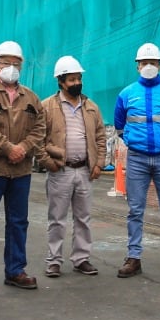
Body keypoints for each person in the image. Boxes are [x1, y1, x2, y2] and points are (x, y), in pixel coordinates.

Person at [0, 41, 50, 296]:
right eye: (6, 62)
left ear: (21, 66)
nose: (11, 67)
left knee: (18, 222)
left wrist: (23, 148)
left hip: (20, 172)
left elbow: (40, 128)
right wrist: (7, 148)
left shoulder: (31, 97)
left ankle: (15, 270)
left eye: (16, 63)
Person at [114, 43, 160, 279]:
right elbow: (119, 125)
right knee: (135, 210)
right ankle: (133, 258)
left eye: (153, 63)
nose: (148, 66)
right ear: (137, 66)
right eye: (144, 63)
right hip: (137, 158)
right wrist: (133, 140)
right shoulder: (126, 94)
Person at [41, 56, 107, 278]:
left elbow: (100, 137)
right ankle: (53, 260)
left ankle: (81, 259)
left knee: (83, 218)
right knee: (57, 219)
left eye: (78, 78)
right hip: (60, 171)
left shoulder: (91, 107)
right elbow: (38, 139)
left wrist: (98, 164)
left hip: (84, 171)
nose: (77, 83)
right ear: (61, 82)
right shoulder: (47, 106)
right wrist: (49, 163)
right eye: (72, 79)